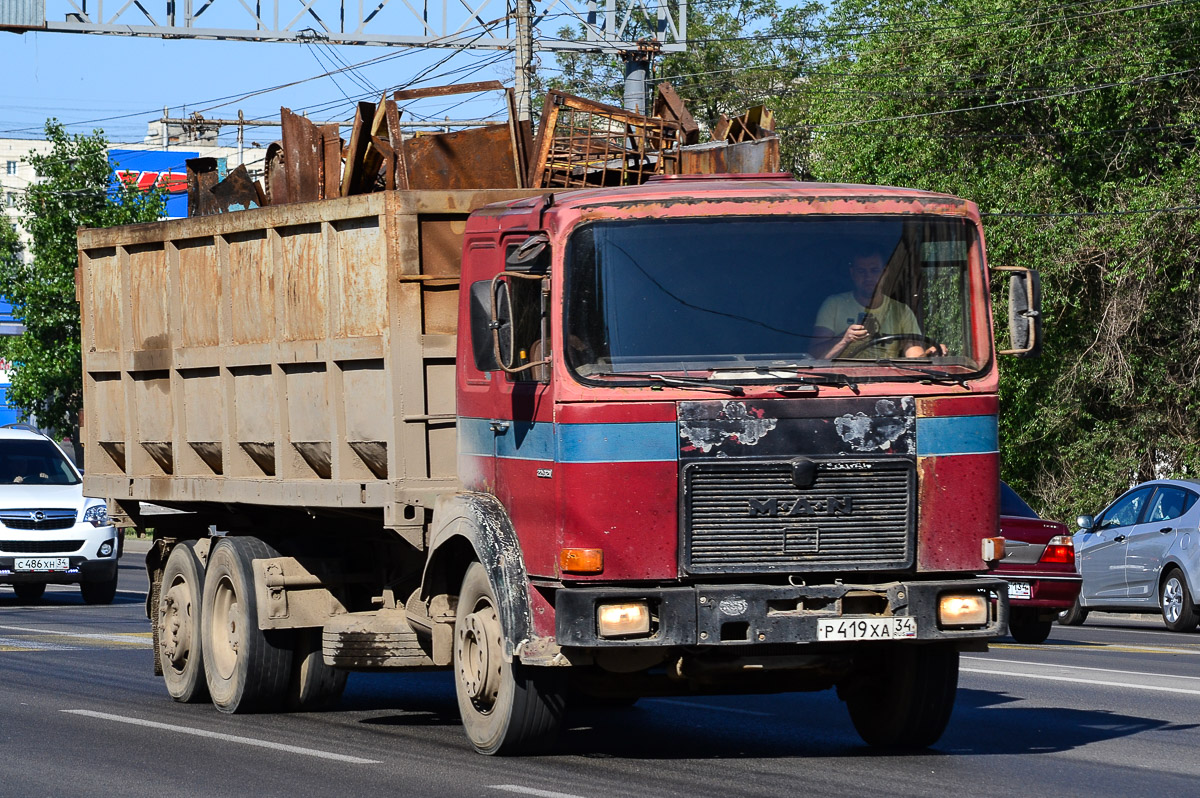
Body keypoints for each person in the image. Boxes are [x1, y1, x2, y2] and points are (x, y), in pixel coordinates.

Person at [812, 253, 941, 359]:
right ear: (852, 273)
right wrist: (844, 339)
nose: (868, 277)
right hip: (842, 381)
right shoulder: (834, 305)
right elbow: (816, 356)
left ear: (884, 272)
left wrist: (929, 355)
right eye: (861, 271)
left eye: (874, 271)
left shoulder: (901, 311)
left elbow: (914, 356)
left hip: (886, 381)